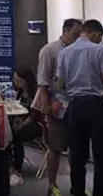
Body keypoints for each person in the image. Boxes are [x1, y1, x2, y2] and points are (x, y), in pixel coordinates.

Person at [57, 20, 103, 196]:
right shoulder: (100, 50)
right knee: (102, 156)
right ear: (96, 34)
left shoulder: (64, 52)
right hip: (97, 106)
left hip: (75, 106)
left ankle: (77, 191)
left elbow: (60, 83)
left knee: (77, 155)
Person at [35, 18, 83, 196]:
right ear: (65, 30)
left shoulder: (79, 50)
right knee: (55, 146)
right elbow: (43, 79)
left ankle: (77, 184)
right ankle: (52, 185)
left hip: (77, 103)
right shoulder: (50, 50)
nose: (78, 38)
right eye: (75, 34)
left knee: (77, 147)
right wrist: (45, 103)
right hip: (57, 103)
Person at [10, 66, 43, 186]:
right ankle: (9, 163)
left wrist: (22, 124)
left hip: (38, 123)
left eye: (19, 80)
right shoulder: (19, 91)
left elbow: (36, 115)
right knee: (8, 130)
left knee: (18, 135)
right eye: (15, 79)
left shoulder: (35, 92)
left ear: (26, 80)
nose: (16, 82)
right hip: (24, 120)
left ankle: (18, 170)